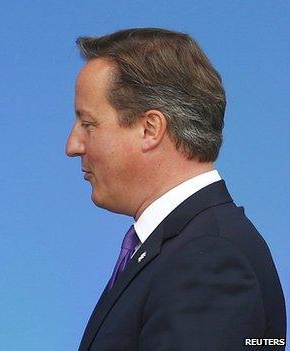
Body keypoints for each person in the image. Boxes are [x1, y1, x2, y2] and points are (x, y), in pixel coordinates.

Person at [66, 28, 286, 350]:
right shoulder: (188, 247)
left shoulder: (208, 260)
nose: (72, 145)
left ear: (150, 129)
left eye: (88, 124)